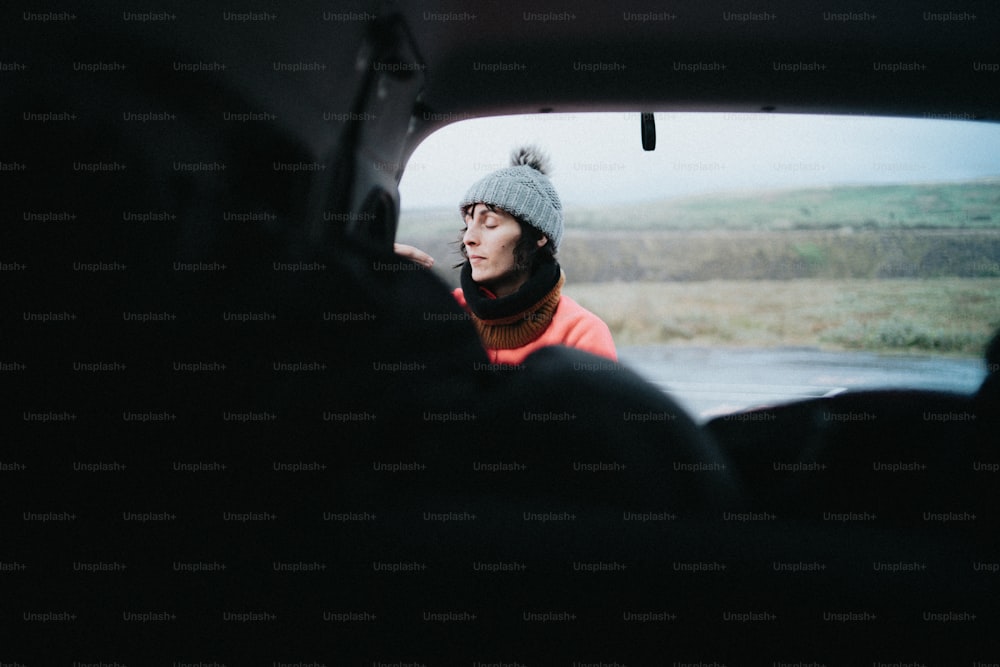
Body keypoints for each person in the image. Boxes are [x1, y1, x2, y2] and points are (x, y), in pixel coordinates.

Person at [396, 145, 617, 366]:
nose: (468, 238)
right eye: (468, 223)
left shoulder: (580, 333)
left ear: (539, 235)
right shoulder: (443, 311)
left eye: (490, 223)